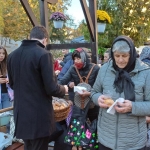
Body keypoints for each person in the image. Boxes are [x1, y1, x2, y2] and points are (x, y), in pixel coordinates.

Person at [7, 25, 68, 150]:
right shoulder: (44, 54)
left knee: (28, 147)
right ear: (45, 39)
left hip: (21, 115)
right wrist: (65, 89)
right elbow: (52, 88)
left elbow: (12, 84)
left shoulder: (12, 55)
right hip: (38, 118)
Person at [91, 35, 150, 150]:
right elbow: (94, 91)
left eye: (124, 56)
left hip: (134, 141)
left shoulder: (145, 72)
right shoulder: (104, 69)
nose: (120, 60)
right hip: (106, 138)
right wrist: (98, 98)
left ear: (132, 54)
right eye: (117, 56)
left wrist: (133, 107)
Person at [57, 48, 100, 150]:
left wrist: (90, 93)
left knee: (93, 129)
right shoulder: (72, 68)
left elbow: (101, 86)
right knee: (76, 131)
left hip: (93, 105)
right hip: (78, 104)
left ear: (84, 58)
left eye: (78, 58)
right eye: (74, 59)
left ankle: (92, 146)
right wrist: (54, 86)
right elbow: (62, 81)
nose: (76, 61)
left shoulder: (95, 69)